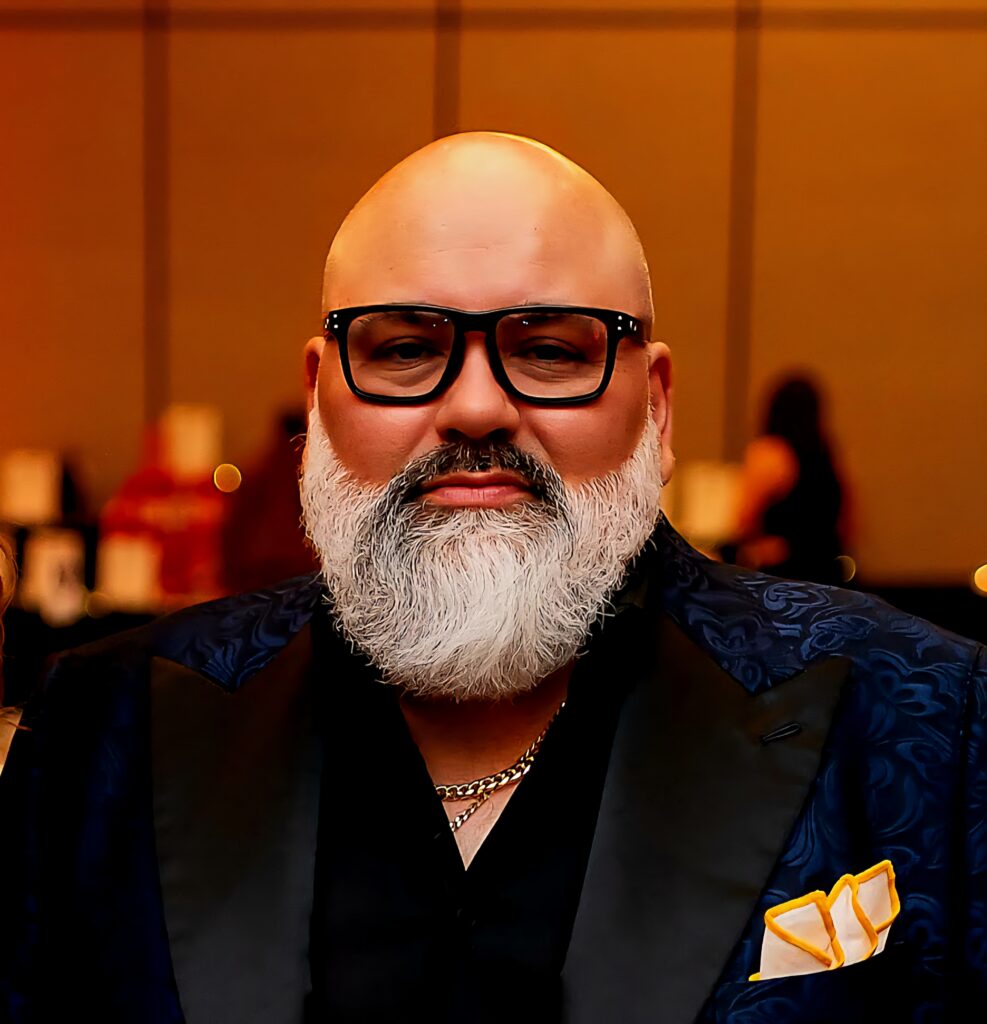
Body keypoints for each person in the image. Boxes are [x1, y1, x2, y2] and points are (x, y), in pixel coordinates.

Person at [2, 133, 984, 1024]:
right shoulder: (104, 732)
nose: (475, 406)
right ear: (319, 394)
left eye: (551, 350)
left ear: (659, 403)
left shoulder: (925, 720)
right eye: (405, 348)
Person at [727, 375, 849, 585]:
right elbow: (847, 523)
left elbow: (743, 521)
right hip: (828, 576)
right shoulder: (828, 456)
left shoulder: (768, 453)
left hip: (781, 579)